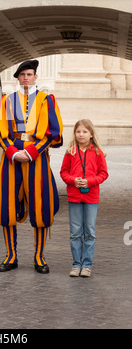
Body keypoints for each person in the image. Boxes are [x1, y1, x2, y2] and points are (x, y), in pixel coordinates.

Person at [0, 60, 63, 274]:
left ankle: (39, 257)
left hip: (37, 157)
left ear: (35, 77)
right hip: (11, 157)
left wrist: (31, 152)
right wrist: (12, 151)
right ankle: (11, 255)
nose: (26, 78)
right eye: (23, 75)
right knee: (7, 207)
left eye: (30, 74)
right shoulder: (7, 101)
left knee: (41, 207)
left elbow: (53, 133)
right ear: (18, 78)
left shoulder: (46, 100)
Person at [60, 119, 109, 278]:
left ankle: (86, 265)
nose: (81, 134)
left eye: (84, 132)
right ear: (74, 133)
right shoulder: (70, 152)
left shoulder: (97, 153)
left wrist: (90, 181)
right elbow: (63, 172)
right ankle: (76, 264)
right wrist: (73, 180)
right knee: (75, 232)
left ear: (91, 134)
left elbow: (103, 174)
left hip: (91, 197)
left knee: (90, 232)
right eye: (78, 131)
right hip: (74, 197)